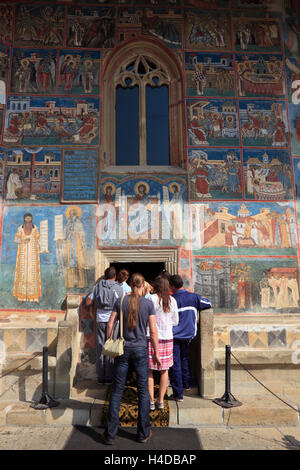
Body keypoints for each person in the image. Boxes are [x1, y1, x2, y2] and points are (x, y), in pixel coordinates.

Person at [101, 273, 161, 445]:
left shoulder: (120, 301)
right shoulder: (148, 304)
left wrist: (108, 340)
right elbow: (153, 331)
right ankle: (143, 433)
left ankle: (110, 434)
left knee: (117, 390)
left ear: (131, 284)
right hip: (141, 349)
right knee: (143, 392)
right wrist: (156, 353)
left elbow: (110, 323)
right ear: (143, 286)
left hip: (123, 349)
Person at [169, 274, 212, 402]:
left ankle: (178, 394)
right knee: (184, 359)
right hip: (188, 335)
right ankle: (187, 384)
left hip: (174, 335)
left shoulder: (171, 300)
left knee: (175, 363)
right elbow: (208, 303)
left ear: (171, 286)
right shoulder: (193, 297)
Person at [86, 266, 124, 384]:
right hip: (114, 321)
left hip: (100, 319)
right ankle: (110, 377)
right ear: (115, 276)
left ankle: (101, 377)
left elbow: (88, 302)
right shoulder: (119, 288)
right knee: (112, 347)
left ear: (105, 275)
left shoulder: (97, 286)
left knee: (101, 347)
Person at [147, 275, 179, 410]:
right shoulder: (172, 300)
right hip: (166, 337)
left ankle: (150, 402)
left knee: (149, 370)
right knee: (164, 370)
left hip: (150, 337)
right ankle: (160, 400)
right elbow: (175, 321)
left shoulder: (150, 298)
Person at [12, 213, 42, 303]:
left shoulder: (35, 228)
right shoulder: (20, 229)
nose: (28, 220)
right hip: (23, 254)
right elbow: (16, 239)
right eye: (26, 218)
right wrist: (23, 240)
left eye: (29, 218)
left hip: (33, 254)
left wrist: (43, 246)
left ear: (31, 219)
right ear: (24, 219)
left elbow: (39, 239)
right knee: (23, 275)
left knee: (33, 275)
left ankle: (35, 298)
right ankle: (22, 298)